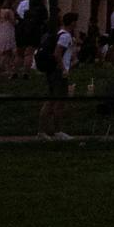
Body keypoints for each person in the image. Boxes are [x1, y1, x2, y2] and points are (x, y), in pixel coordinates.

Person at [36, 12, 79, 140]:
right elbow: (57, 53)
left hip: (54, 71)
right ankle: (56, 131)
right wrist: (64, 68)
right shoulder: (65, 36)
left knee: (51, 100)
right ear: (72, 22)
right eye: (75, 21)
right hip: (59, 72)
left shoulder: (60, 34)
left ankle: (44, 130)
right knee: (58, 102)